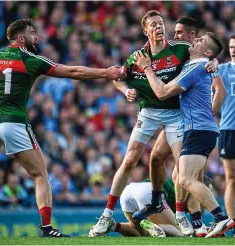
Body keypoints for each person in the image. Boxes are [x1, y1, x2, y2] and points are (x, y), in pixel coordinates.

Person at [0, 19, 124, 238]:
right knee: (40, 175)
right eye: (31, 33)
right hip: (14, 123)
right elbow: (73, 71)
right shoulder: (30, 59)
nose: (36, 37)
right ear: (21, 38)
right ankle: (47, 228)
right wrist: (106, 73)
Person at [89, 11, 218, 237]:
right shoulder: (136, 58)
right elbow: (118, 77)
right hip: (148, 112)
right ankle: (106, 215)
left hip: (175, 113)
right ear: (145, 31)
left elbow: (204, 56)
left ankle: (182, 215)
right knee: (129, 160)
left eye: (161, 24)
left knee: (182, 167)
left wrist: (214, 62)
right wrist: (125, 89)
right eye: (154, 25)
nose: (159, 27)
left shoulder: (179, 49)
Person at [133, 32, 234, 238]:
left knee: (187, 178)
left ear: (205, 51)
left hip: (199, 130)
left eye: (200, 41)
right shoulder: (195, 64)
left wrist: (147, 68)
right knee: (182, 176)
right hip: (198, 129)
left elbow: (162, 93)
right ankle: (200, 219)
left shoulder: (197, 67)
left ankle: (221, 218)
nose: (194, 41)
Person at [109, 176, 213, 237]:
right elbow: (195, 223)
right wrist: (200, 229)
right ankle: (147, 221)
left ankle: (113, 225)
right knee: (182, 233)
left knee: (142, 233)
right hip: (150, 192)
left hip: (129, 191)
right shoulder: (194, 189)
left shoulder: (182, 181)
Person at [218, 34, 235, 236]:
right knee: (231, 178)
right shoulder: (222, 70)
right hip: (229, 129)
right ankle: (233, 223)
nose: (233, 49)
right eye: (231, 46)